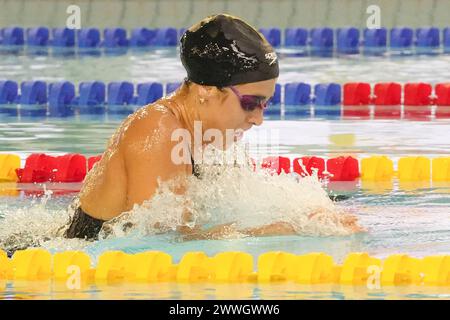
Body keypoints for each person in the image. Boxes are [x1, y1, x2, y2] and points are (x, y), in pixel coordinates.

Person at [64, 13, 364, 242]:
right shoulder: (157, 129)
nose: (259, 119)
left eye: (265, 104)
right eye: (250, 103)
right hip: (70, 263)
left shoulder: (203, 135)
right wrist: (281, 231)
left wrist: (304, 215)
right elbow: (159, 242)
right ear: (207, 91)